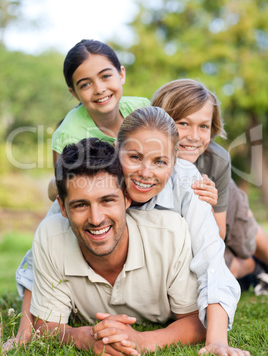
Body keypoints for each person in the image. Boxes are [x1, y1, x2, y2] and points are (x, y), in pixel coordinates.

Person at [12, 107, 247, 356]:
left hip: (177, 265)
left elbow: (210, 260)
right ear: (116, 149)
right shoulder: (95, 176)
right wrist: (25, 334)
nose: (145, 173)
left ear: (175, 161)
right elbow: (38, 255)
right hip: (139, 265)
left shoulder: (188, 185)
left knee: (231, 257)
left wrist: (217, 340)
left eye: (160, 161)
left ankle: (250, 265)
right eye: (134, 157)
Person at [31, 137, 207, 354]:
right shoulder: (50, 236)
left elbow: (196, 320)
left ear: (126, 198)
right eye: (80, 205)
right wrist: (84, 337)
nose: (96, 219)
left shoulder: (170, 233)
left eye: (107, 200)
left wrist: (141, 340)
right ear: (63, 208)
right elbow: (44, 326)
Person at [151, 78, 268, 292]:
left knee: (247, 239)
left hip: (225, 204)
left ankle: (258, 259)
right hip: (195, 226)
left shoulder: (217, 159)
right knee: (223, 269)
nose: (194, 136)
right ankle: (251, 266)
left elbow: (219, 234)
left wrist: (212, 205)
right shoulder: (146, 159)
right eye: (183, 123)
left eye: (203, 126)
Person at [48, 38, 150, 200]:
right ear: (74, 93)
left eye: (106, 76)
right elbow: (62, 191)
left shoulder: (143, 108)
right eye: (85, 85)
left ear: (121, 74)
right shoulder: (68, 136)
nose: (99, 89)